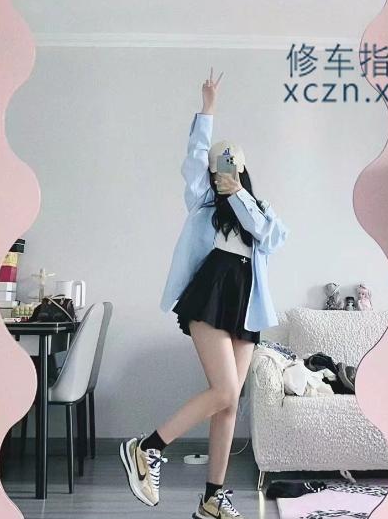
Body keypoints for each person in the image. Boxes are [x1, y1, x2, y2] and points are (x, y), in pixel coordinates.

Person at [120, 67, 289, 519]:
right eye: (218, 167)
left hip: (246, 305)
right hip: (211, 293)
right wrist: (208, 109)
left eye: (231, 165)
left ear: (243, 169)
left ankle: (213, 497)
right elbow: (195, 158)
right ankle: (147, 447)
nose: (223, 171)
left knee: (230, 401)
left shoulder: (260, 211)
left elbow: (271, 237)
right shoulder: (203, 202)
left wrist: (240, 196)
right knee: (224, 389)